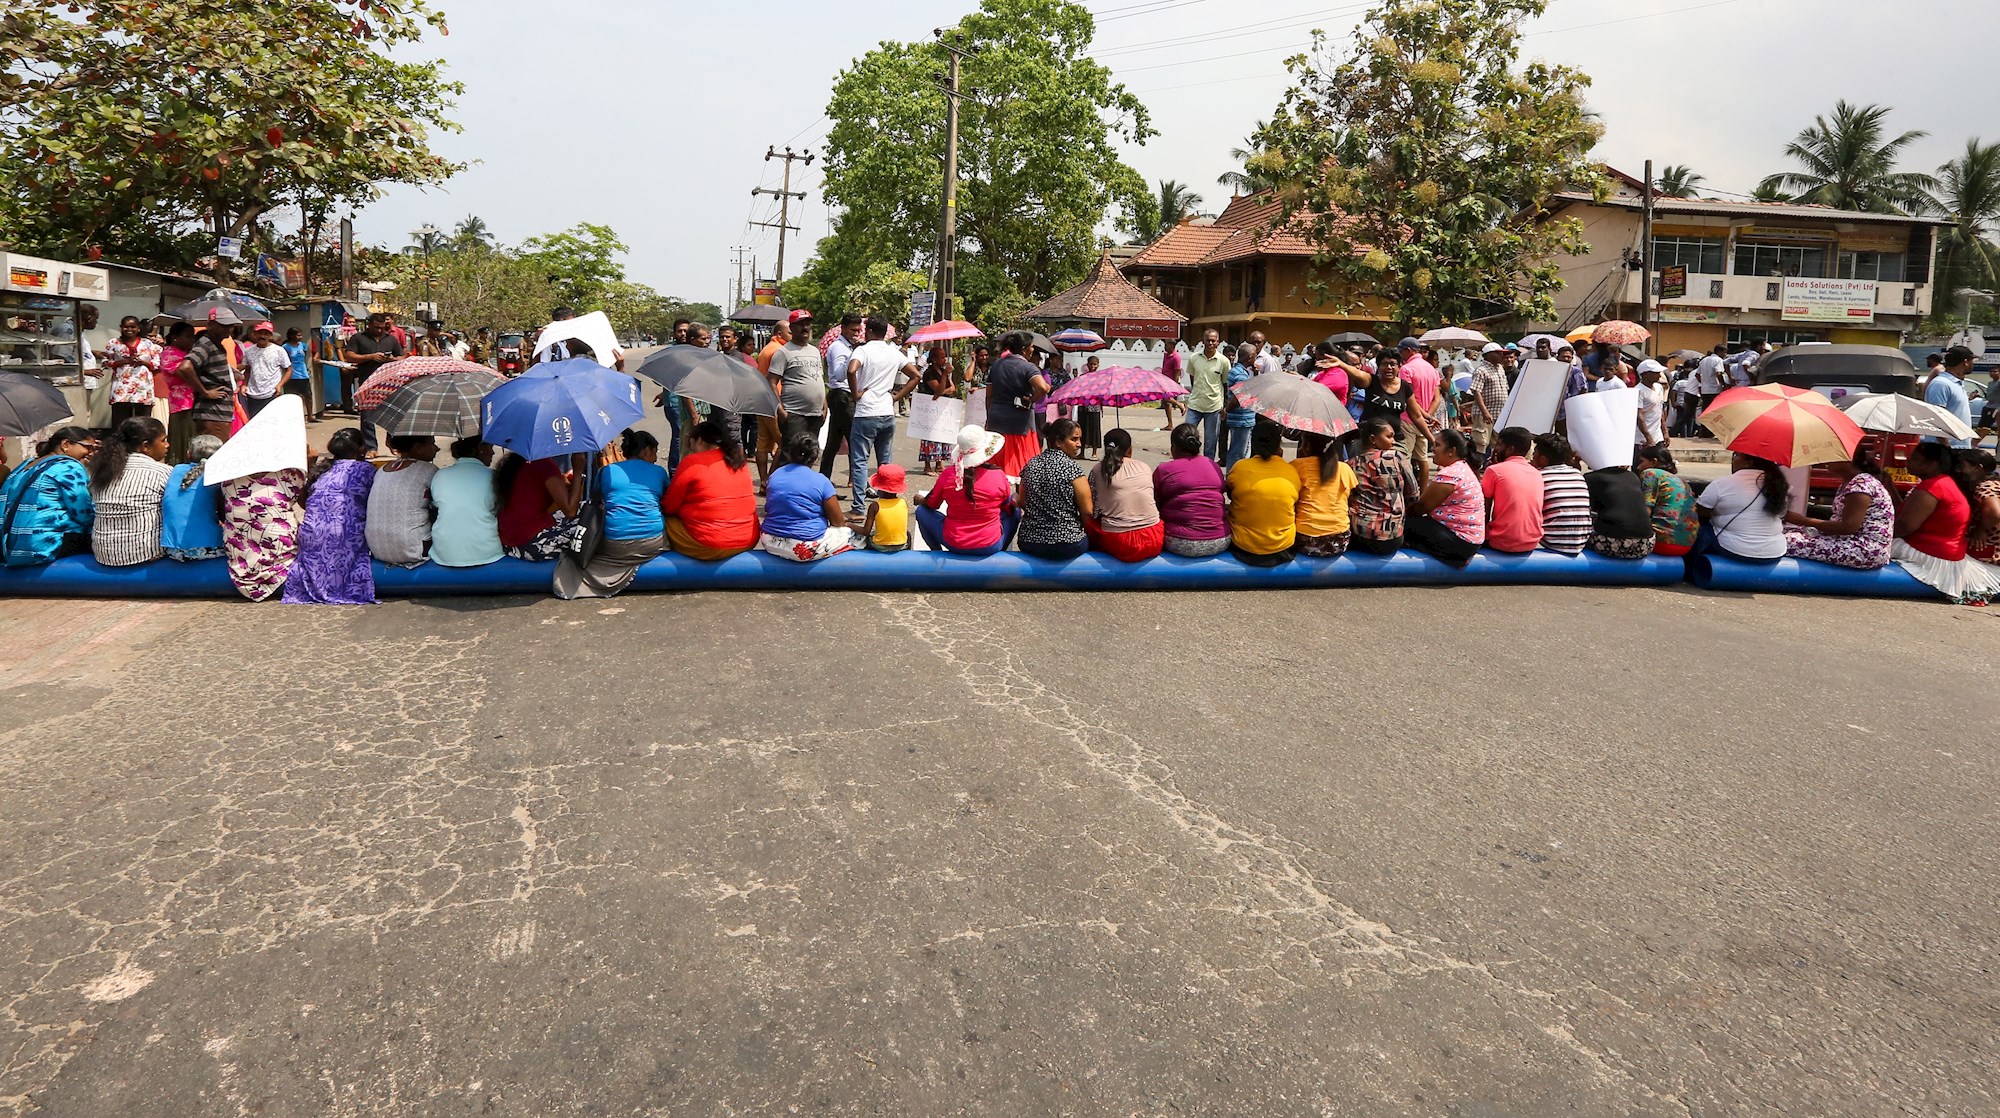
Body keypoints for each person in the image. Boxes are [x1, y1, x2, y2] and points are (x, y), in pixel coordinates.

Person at [555, 430, 667, 597]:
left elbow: (596, 498)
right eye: (655, 452)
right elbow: (666, 501)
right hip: (652, 544)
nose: (656, 458)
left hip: (615, 545)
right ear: (646, 450)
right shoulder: (659, 472)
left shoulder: (607, 471)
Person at [1890, 441, 2000, 603]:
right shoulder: (1943, 483)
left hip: (1932, 551)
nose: (1908, 461)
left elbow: (1905, 527)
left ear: (1932, 464)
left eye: (1915, 459)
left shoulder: (1933, 487)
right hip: (1945, 551)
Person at [284, 429, 377, 604]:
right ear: (362, 448)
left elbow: (304, 504)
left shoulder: (321, 470)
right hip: (343, 535)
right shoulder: (366, 469)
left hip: (310, 536)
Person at [846, 317, 922, 519]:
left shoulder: (862, 350)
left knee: (860, 460)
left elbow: (851, 369)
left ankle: (859, 507)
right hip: (887, 411)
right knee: (885, 462)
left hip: (866, 411)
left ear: (869, 331)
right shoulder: (893, 352)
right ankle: (888, 503)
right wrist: (897, 396)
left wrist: (856, 394)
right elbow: (915, 375)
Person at [1782, 445, 1893, 569]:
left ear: (1846, 459)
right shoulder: (1851, 482)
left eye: (1829, 456)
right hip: (1851, 542)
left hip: (1865, 550)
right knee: (1789, 532)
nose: (1824, 461)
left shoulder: (1861, 485)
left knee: (1787, 542)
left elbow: (1848, 527)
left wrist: (1803, 521)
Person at [663, 419, 759, 561]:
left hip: (711, 543)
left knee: (662, 521)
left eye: (692, 444)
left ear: (700, 440)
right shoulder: (738, 460)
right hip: (748, 538)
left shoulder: (692, 461)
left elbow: (669, 507)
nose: (691, 449)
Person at [916, 424, 1018, 556]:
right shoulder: (998, 475)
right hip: (990, 544)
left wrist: (920, 500)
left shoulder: (948, 474)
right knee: (1016, 512)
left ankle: (936, 553)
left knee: (921, 511)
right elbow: (1008, 508)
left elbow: (931, 504)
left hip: (954, 542)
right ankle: (1002, 553)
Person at [0, 426, 95, 567]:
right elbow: (84, 514)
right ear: (66, 445)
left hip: (9, 547)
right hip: (41, 546)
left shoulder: (25, 465)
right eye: (88, 447)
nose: (91, 453)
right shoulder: (68, 466)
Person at [87, 417, 171, 567]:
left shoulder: (102, 471)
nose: (167, 445)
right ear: (145, 446)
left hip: (103, 554)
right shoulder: (162, 472)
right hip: (145, 554)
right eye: (163, 440)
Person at [759, 433, 855, 563]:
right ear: (815, 457)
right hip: (804, 546)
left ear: (789, 453)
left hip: (770, 540)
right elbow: (837, 522)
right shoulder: (821, 481)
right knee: (853, 535)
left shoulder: (775, 476)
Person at [220, 461, 305, 602]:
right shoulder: (292, 475)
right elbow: (305, 503)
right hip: (282, 555)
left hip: (240, 559)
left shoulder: (227, 481)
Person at [1225, 419, 1302, 566]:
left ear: (1253, 443)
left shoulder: (1239, 467)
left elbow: (1230, 494)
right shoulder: (1291, 471)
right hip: (1283, 548)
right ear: (1279, 445)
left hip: (1243, 547)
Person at [1015, 418, 1093, 560]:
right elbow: (1087, 511)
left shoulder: (1031, 464)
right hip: (1067, 544)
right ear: (1058, 441)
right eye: (1074, 439)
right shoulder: (1072, 468)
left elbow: (1023, 501)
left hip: (1029, 542)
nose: (1079, 444)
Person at [1404, 428, 1483, 566]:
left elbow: (1420, 508)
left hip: (1459, 543)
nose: (1433, 449)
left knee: (1401, 525)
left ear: (1451, 451)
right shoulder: (1463, 468)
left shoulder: (1449, 475)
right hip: (1471, 541)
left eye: (1437, 445)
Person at [1693, 452, 1789, 563]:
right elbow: (1782, 514)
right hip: (1774, 553)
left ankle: (1690, 570)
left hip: (1734, 550)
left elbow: (1700, 512)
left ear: (1749, 463)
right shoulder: (1778, 486)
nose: (1733, 460)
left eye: (1736, 456)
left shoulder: (1722, 483)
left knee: (1699, 527)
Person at [1153, 422, 1230, 558]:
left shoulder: (1164, 470)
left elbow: (1155, 504)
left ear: (1173, 448)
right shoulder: (1213, 465)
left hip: (1179, 542)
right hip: (1221, 540)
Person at [984, 331, 1053, 480]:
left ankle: (997, 497)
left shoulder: (996, 365)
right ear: (1024, 349)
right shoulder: (1028, 367)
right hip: (1019, 424)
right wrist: (1031, 399)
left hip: (996, 420)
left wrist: (989, 417)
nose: (1033, 350)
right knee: (1022, 467)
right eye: (1032, 347)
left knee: (996, 464)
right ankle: (1018, 500)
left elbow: (989, 395)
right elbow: (1043, 388)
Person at [1085, 427, 1162, 562]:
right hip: (1153, 538)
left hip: (1120, 542)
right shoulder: (1144, 467)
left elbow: (1094, 510)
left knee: (1089, 521)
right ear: (1130, 450)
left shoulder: (1097, 469)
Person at [1347, 418, 1421, 556]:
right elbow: (1414, 495)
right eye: (1389, 436)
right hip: (1393, 539)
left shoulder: (1351, 464)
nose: (1393, 441)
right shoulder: (1397, 457)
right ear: (1373, 439)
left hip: (1361, 537)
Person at [364, 434, 439, 567]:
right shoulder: (429, 470)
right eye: (432, 444)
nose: (437, 448)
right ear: (418, 448)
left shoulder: (382, 470)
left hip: (377, 549)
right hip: (414, 550)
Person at [496, 450, 586, 561]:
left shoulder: (515, 462)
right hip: (533, 546)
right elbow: (570, 511)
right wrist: (578, 470)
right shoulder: (544, 464)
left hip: (510, 545)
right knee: (588, 510)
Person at [429, 437, 503, 568]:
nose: (493, 453)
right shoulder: (493, 476)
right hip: (487, 552)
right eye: (490, 448)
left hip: (444, 553)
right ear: (479, 449)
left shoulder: (440, 475)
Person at [342, 313, 406, 452]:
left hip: (389, 383)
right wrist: (370, 357)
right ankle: (371, 447)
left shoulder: (391, 339)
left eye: (382, 328)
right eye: (376, 327)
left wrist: (393, 360)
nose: (379, 330)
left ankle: (393, 443)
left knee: (392, 415)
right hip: (367, 383)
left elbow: (402, 356)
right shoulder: (358, 338)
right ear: (369, 324)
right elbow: (349, 356)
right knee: (367, 417)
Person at [161, 434, 226, 561]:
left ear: (188, 454)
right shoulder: (217, 476)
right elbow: (224, 514)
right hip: (209, 547)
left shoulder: (176, 470)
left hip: (173, 550)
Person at [1291, 431, 1356, 558]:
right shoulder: (1344, 468)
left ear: (1307, 446)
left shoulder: (1297, 466)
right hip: (1339, 541)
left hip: (1305, 540)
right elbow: (1350, 499)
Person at [768, 310, 827, 448]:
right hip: (794, 414)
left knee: (809, 454)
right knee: (791, 456)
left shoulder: (815, 351)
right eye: (800, 324)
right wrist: (780, 409)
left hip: (815, 414)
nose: (805, 328)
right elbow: (771, 381)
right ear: (792, 328)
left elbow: (818, 378)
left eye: (807, 324)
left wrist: (824, 405)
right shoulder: (783, 352)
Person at [1481, 427, 1544, 554]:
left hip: (1502, 542)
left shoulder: (1494, 471)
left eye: (1499, 445)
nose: (1496, 449)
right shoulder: (1537, 473)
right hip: (1532, 541)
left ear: (1510, 449)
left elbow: (1484, 512)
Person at [1532, 432, 1593, 556]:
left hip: (1552, 542)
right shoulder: (1577, 474)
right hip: (1581, 541)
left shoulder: (1538, 477)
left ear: (1543, 459)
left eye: (1535, 453)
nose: (1532, 457)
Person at [1635, 444, 1698, 558]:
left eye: (1642, 461)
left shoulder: (1650, 473)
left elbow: (1645, 511)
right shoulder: (1683, 482)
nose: (1639, 467)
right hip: (1687, 545)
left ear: (1654, 462)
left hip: (1662, 543)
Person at [820, 313, 862, 479]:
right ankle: (859, 481)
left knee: (834, 442)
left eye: (858, 330)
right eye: (853, 330)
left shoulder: (849, 346)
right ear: (843, 328)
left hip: (844, 397)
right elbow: (838, 375)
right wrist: (853, 356)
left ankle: (825, 478)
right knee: (855, 440)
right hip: (842, 397)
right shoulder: (838, 347)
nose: (856, 334)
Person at [184, 313, 239, 441]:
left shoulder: (216, 344)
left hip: (219, 411)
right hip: (212, 412)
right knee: (213, 452)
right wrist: (205, 392)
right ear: (210, 325)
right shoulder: (206, 343)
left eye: (230, 326)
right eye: (224, 326)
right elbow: (185, 367)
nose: (228, 329)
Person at [1583, 463, 1655, 559]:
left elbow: (1587, 507)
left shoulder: (1591, 478)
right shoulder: (1632, 476)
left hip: (1615, 544)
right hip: (1646, 544)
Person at [103, 315, 162, 427]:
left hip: (142, 388)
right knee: (120, 422)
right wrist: (125, 361)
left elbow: (156, 363)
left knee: (143, 422)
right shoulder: (114, 343)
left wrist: (143, 362)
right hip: (121, 388)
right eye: (126, 327)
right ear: (121, 327)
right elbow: (106, 362)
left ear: (138, 328)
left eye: (132, 327)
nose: (129, 329)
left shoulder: (147, 344)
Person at [1184, 329, 1229, 462]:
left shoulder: (1224, 361)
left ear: (1218, 342)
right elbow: (1193, 378)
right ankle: (1188, 462)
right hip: (1195, 404)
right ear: (1203, 341)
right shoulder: (1194, 358)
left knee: (1210, 441)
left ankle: (1207, 465)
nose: (1210, 343)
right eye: (1208, 340)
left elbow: (1225, 384)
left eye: (1213, 341)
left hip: (1213, 406)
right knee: (1187, 436)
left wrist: (1224, 406)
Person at [157, 321, 199, 463]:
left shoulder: (184, 352)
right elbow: (185, 373)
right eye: (188, 336)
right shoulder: (170, 354)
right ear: (175, 337)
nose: (192, 340)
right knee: (183, 435)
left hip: (190, 399)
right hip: (182, 401)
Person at [917, 344, 959, 473]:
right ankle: (927, 465)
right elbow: (937, 390)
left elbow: (952, 388)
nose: (945, 360)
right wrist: (945, 378)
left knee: (942, 434)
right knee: (931, 436)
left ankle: (939, 463)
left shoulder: (942, 371)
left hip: (943, 407)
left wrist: (944, 389)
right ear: (934, 359)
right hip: (931, 409)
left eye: (945, 357)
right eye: (942, 357)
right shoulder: (929, 373)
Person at [1925, 345, 1976, 449]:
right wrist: (1947, 448)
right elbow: (1937, 418)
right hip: (1944, 450)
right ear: (1965, 362)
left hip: (1958, 447)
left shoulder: (1956, 383)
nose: (1973, 364)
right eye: (1972, 360)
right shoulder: (1941, 384)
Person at [1466, 344, 1509, 459]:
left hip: (1499, 413)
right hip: (1484, 414)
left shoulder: (1500, 368)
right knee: (1481, 442)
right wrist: (1485, 411)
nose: (1502, 355)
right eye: (1498, 353)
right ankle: (1477, 467)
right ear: (1489, 355)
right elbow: (1476, 391)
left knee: (1497, 443)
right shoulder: (1481, 370)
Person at [241, 321, 289, 420]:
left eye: (265, 333)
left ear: (270, 336)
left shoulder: (279, 351)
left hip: (272, 393)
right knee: (255, 422)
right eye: (259, 333)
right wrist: (245, 385)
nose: (262, 336)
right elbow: (248, 370)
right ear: (254, 334)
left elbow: (289, 369)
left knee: (272, 422)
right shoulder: (248, 351)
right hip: (253, 395)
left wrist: (280, 385)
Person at [1221, 346, 1259, 469]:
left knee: (1242, 451)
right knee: (1238, 452)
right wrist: (1227, 410)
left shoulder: (1240, 371)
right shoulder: (1241, 374)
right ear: (1249, 357)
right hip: (1241, 419)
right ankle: (1232, 477)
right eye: (1254, 356)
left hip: (1242, 419)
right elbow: (1239, 397)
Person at [860, 464, 910, 552]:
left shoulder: (875, 506)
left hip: (880, 546)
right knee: (908, 534)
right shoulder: (903, 503)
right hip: (901, 545)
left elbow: (865, 531)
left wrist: (849, 525)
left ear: (880, 488)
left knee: (866, 537)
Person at [1964, 450, 2000, 563]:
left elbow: (1994, 513)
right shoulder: (1996, 483)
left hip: (1991, 549)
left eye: (1963, 466)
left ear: (1977, 467)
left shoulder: (1985, 486)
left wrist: (1981, 531)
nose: (1960, 470)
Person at [1634, 361, 1668, 447]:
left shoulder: (1659, 387)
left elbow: (1660, 411)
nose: (1659, 375)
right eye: (1655, 373)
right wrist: (1648, 438)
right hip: (1642, 439)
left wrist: (1665, 432)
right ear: (1645, 374)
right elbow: (1639, 416)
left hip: (1657, 436)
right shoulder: (1638, 391)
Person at [282, 327, 313, 415]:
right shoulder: (285, 347)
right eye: (298, 335)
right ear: (292, 336)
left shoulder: (303, 345)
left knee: (308, 395)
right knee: (291, 396)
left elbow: (304, 357)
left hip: (303, 374)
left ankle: (310, 415)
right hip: (291, 375)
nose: (300, 337)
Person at [1159, 342, 1184, 429]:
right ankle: (1170, 424)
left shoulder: (1176, 357)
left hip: (1170, 382)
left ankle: (1180, 405)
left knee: (1167, 398)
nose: (1165, 347)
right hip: (1164, 380)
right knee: (1166, 403)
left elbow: (1177, 371)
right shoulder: (1166, 355)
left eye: (1167, 345)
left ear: (1172, 346)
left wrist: (1175, 384)